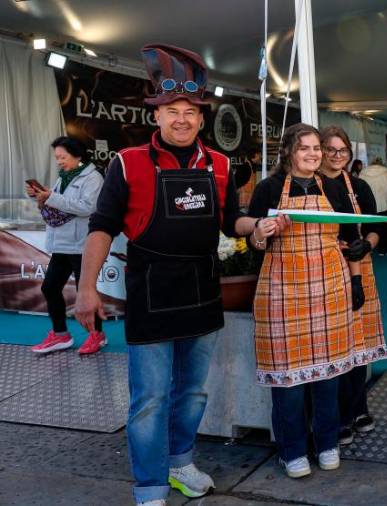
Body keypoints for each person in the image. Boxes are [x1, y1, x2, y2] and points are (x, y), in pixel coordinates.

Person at [74, 44, 268, 506]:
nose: (182, 119)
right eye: (172, 111)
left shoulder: (219, 164)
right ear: (156, 116)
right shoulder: (128, 162)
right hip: (150, 291)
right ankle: (149, 485)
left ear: (201, 119)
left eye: (190, 112)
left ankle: (180, 462)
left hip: (203, 289)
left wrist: (256, 227)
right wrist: (85, 289)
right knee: (150, 398)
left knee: (194, 392)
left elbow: (231, 222)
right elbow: (101, 227)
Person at [248, 123, 365, 480]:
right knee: (289, 382)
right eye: (305, 148)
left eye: (317, 148)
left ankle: (327, 443)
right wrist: (260, 232)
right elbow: (253, 242)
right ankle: (292, 450)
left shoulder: (334, 187)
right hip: (283, 291)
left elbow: (350, 235)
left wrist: (356, 269)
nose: (313, 154)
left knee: (328, 377)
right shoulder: (268, 189)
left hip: (329, 289)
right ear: (288, 152)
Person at [318, 125, 387, 446]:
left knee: (359, 343)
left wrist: (368, 244)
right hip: (324, 272)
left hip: (361, 268)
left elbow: (377, 227)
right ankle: (338, 415)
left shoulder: (358, 186)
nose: (337, 156)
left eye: (342, 150)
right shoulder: (311, 185)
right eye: (330, 149)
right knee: (333, 344)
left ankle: (359, 407)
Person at [28, 136, 106, 355]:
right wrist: (42, 195)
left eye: (62, 157)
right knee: (50, 287)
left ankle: (97, 335)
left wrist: (51, 197)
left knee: (85, 293)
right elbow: (60, 202)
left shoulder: (93, 178)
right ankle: (60, 334)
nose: (59, 162)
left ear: (77, 155)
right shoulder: (63, 176)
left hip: (82, 245)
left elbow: (88, 207)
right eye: (57, 158)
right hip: (62, 243)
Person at [358, 157, 387, 256]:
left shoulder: (363, 172)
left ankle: (368, 249)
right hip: (383, 204)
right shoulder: (386, 172)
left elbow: (358, 189)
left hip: (366, 204)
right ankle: (383, 250)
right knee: (383, 228)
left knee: (367, 227)